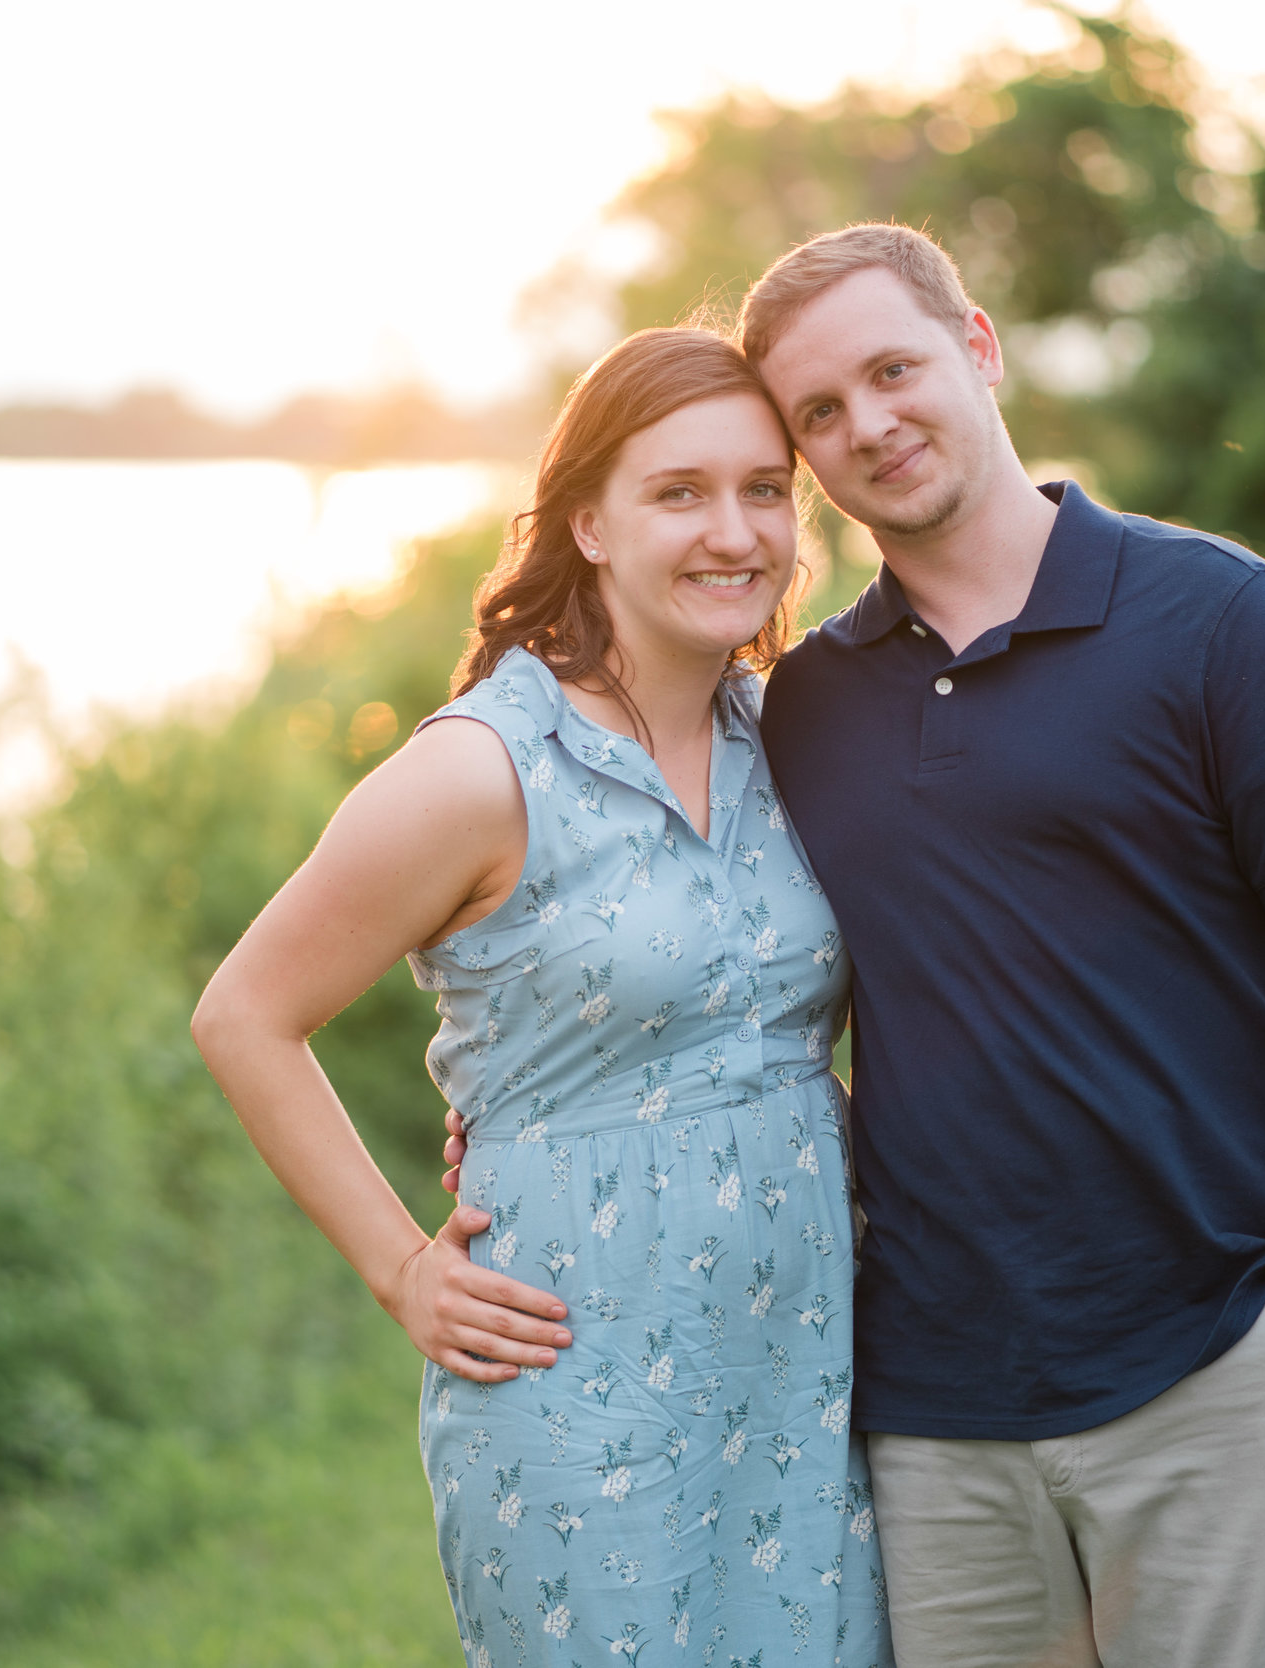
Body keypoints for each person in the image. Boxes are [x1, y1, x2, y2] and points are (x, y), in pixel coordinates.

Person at [453, 223, 1265, 1667]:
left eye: (894, 371)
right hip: (930, 1424)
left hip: (1215, 1364)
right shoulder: (804, 708)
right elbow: (706, 966)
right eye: (820, 415)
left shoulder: (1219, 618)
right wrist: (520, 1120)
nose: (870, 428)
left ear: (978, 347)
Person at [192, 327, 892, 1668]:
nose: (732, 530)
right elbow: (245, 1013)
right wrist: (401, 1269)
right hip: (577, 1395)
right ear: (587, 521)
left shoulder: (793, 737)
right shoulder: (483, 772)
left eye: (763, 490)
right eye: (677, 492)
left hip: (811, 1376)